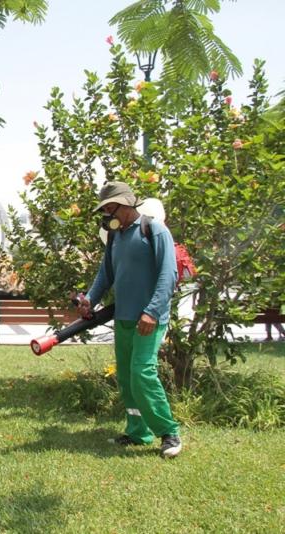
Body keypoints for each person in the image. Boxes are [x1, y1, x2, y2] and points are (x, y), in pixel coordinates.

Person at [77, 181, 182, 458]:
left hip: (149, 319)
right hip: (123, 318)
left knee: (142, 373)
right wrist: (90, 299)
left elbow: (168, 275)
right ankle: (138, 431)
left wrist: (152, 311)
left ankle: (168, 432)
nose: (107, 214)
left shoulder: (154, 230)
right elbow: (106, 274)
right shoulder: (115, 237)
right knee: (126, 376)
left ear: (125, 206)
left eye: (110, 208)